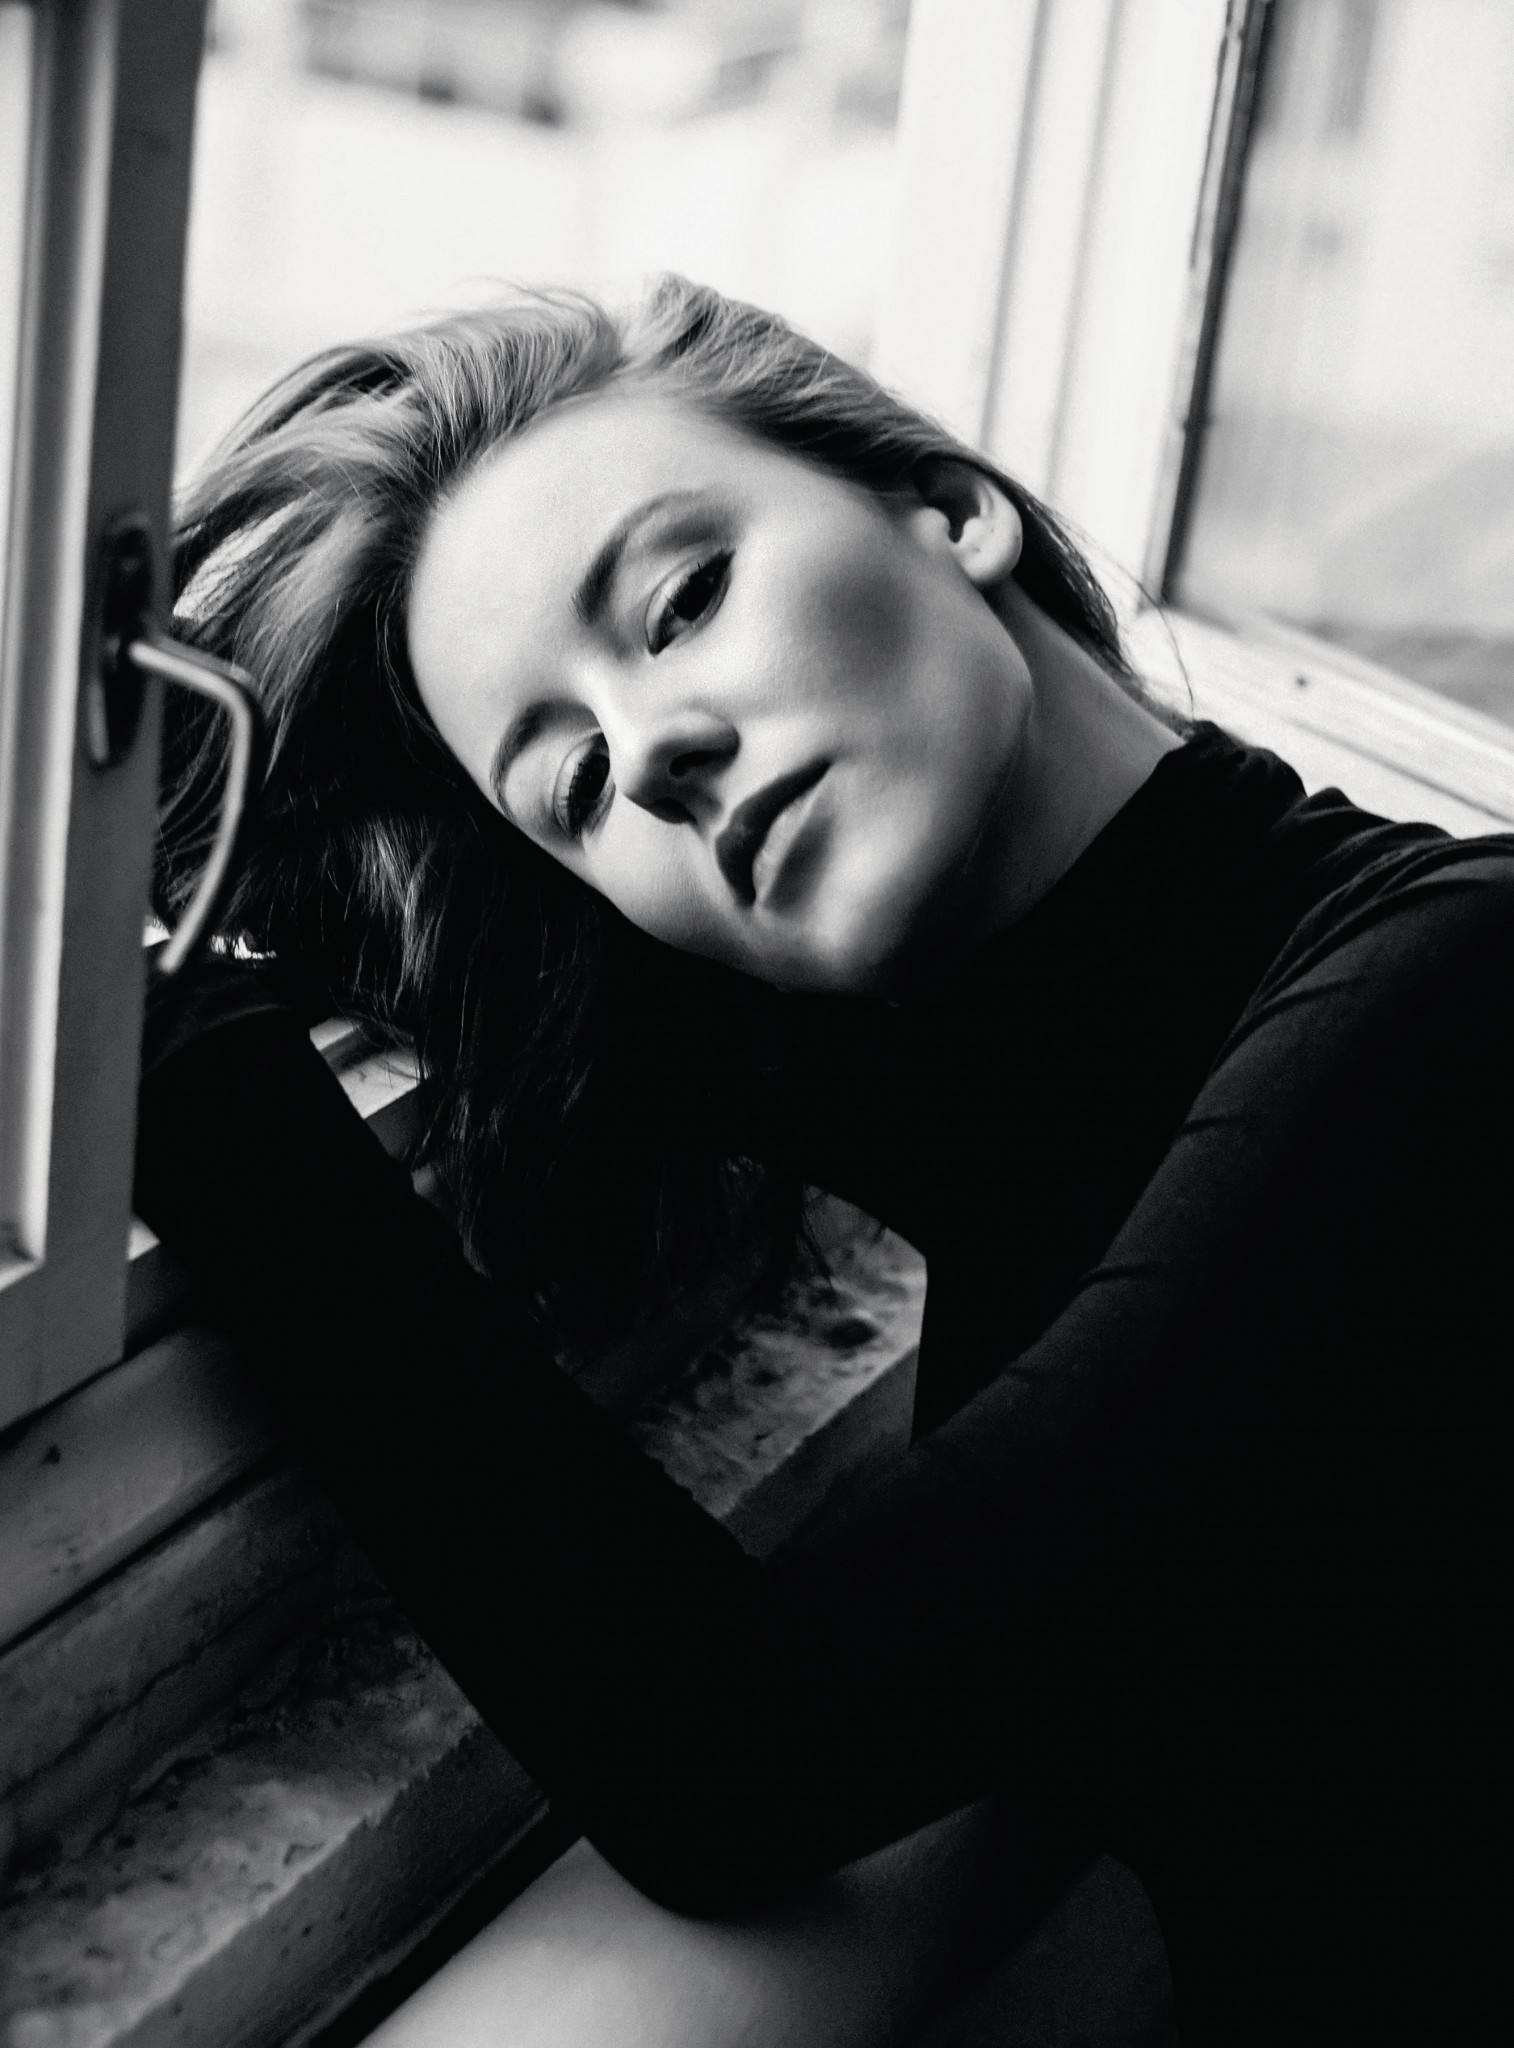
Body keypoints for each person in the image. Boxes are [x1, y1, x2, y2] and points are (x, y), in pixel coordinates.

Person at [137, 277, 1512, 2046]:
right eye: (570, 786)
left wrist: (193, 1082)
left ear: (947, 509)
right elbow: (335, 885)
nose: (650, 752)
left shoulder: (1453, 996)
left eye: (682, 600)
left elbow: (734, 1755)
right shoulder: (994, 1080)